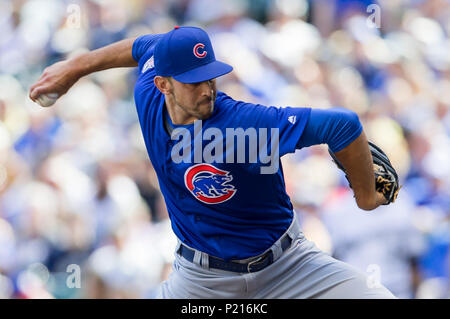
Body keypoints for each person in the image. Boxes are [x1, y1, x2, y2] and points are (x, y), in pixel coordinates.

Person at [29, 26, 395, 298]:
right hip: (201, 283)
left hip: (290, 269)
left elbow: (342, 124)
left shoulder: (245, 122)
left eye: (209, 77)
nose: (207, 89)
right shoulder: (147, 92)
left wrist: (366, 196)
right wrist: (76, 67)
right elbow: (143, 47)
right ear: (163, 85)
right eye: (192, 82)